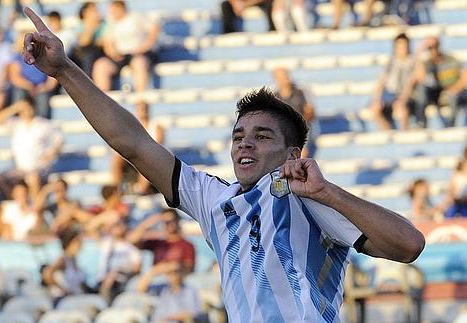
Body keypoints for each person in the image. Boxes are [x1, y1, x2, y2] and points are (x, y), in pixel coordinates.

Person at [22, 8, 425, 321]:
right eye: (238, 136)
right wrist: (64, 70)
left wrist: (328, 192)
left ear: (292, 155)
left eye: (261, 135)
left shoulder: (311, 198)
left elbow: (409, 246)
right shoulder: (213, 198)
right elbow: (133, 144)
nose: (244, 143)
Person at [0, 97, 64, 200]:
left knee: (33, 178)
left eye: (28, 108)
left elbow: (59, 141)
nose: (26, 111)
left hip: (39, 167)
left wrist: (52, 153)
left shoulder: (42, 124)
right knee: (0, 178)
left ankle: (35, 209)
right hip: (20, 168)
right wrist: (15, 107)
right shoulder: (16, 124)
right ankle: (18, 204)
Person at [396, 36, 467, 128]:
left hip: (453, 92)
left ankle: (450, 126)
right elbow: (421, 77)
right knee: (421, 89)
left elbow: (465, 75)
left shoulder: (450, 60)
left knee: (453, 97)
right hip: (435, 93)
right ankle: (421, 123)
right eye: (429, 48)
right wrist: (419, 51)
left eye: (435, 46)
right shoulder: (428, 63)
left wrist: (454, 89)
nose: (433, 50)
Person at [92, 0, 160, 92]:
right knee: (100, 65)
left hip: (138, 54)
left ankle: (141, 100)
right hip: (120, 56)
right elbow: (107, 42)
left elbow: (154, 29)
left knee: (139, 64)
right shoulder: (110, 21)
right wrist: (112, 53)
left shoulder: (136, 17)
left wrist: (144, 47)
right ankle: (102, 102)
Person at [111, 101, 164, 195]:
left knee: (146, 158)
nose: (142, 111)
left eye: (144, 108)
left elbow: (158, 145)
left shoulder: (156, 126)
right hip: (137, 156)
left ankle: (141, 189)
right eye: (140, 109)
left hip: (152, 158)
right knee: (117, 158)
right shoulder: (131, 127)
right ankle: (117, 189)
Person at [370, 33, 416, 131]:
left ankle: (404, 134)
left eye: (404, 46)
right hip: (390, 93)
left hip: (404, 95)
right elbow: (382, 81)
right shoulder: (391, 62)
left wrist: (402, 99)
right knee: (375, 109)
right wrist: (377, 99)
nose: (402, 49)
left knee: (401, 111)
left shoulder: (413, 62)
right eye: (399, 46)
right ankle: (389, 134)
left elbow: (411, 84)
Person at [8, 31, 58, 119]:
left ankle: (42, 121)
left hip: (41, 87)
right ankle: (18, 119)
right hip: (25, 87)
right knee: (19, 92)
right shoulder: (17, 58)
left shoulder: (45, 58)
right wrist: (29, 86)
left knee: (43, 96)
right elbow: (15, 77)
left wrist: (45, 87)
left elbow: (52, 78)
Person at [128, 209, 196, 273]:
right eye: (166, 222)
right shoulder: (158, 243)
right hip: (156, 280)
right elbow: (132, 241)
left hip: (176, 280)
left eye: (172, 220)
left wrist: (168, 268)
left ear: (177, 220)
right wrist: (148, 223)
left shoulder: (187, 245)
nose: (169, 224)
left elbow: (190, 268)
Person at [137, 262, 204, 323]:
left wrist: (168, 318)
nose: (172, 275)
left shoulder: (190, 290)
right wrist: (154, 271)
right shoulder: (162, 287)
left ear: (182, 272)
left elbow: (192, 313)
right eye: (169, 272)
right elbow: (141, 289)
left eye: (176, 271)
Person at [273, 67, 316, 158]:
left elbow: (310, 113)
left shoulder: (301, 92)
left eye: (285, 76)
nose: (284, 79)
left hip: (301, 128)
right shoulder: (274, 97)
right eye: (280, 77)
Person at [96, 220, 141, 303]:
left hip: (122, 280)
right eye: (114, 227)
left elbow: (136, 268)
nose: (116, 229)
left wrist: (119, 271)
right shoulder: (106, 243)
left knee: (111, 279)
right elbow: (92, 228)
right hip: (102, 279)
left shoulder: (131, 248)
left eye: (118, 226)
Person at [42, 226, 89, 306]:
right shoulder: (63, 260)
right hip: (62, 300)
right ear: (70, 243)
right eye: (78, 241)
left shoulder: (74, 260)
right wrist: (64, 291)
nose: (81, 245)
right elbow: (47, 274)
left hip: (74, 298)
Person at [70, 2, 106, 77]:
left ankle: (86, 84)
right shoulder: (80, 25)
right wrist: (91, 25)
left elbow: (102, 42)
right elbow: (83, 42)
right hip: (81, 51)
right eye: (92, 10)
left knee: (88, 56)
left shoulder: (103, 24)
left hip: (96, 51)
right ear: (85, 12)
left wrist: (94, 24)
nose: (96, 12)